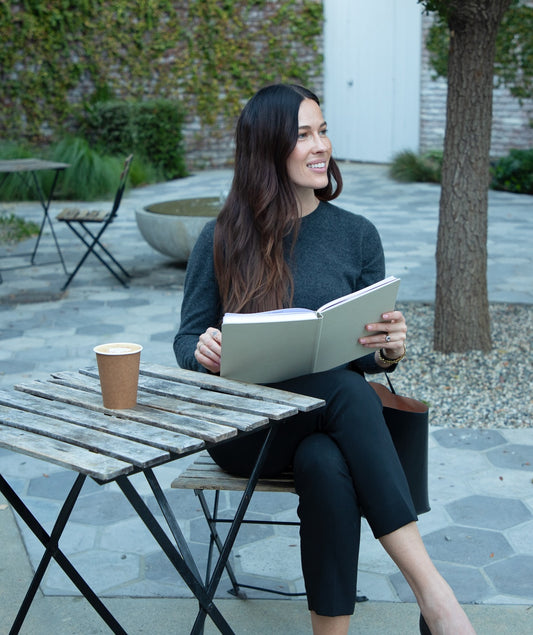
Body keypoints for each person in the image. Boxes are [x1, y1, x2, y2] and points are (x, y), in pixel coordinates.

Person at [174, 84, 475, 635]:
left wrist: (388, 351)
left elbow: (362, 357)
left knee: (323, 460)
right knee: (343, 393)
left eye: (323, 130)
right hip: (246, 430)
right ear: (267, 149)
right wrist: (202, 350)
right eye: (303, 135)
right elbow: (187, 338)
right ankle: (437, 598)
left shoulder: (357, 235)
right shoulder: (220, 237)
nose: (322, 146)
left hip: (324, 427)